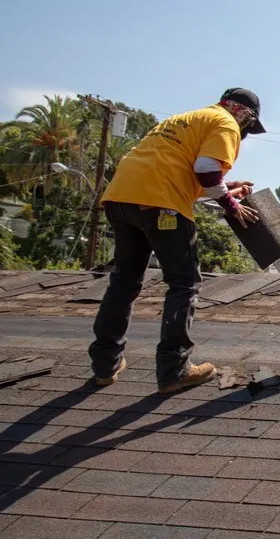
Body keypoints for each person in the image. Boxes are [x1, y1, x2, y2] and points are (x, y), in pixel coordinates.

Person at [89, 88, 264, 393]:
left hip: (121, 198)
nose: (246, 131)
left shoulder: (186, 119)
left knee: (124, 281)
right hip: (161, 205)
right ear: (245, 114)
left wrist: (227, 188)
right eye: (249, 124)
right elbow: (207, 170)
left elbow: (185, 174)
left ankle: (106, 365)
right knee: (184, 283)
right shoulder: (226, 123)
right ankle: (174, 369)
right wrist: (232, 206)